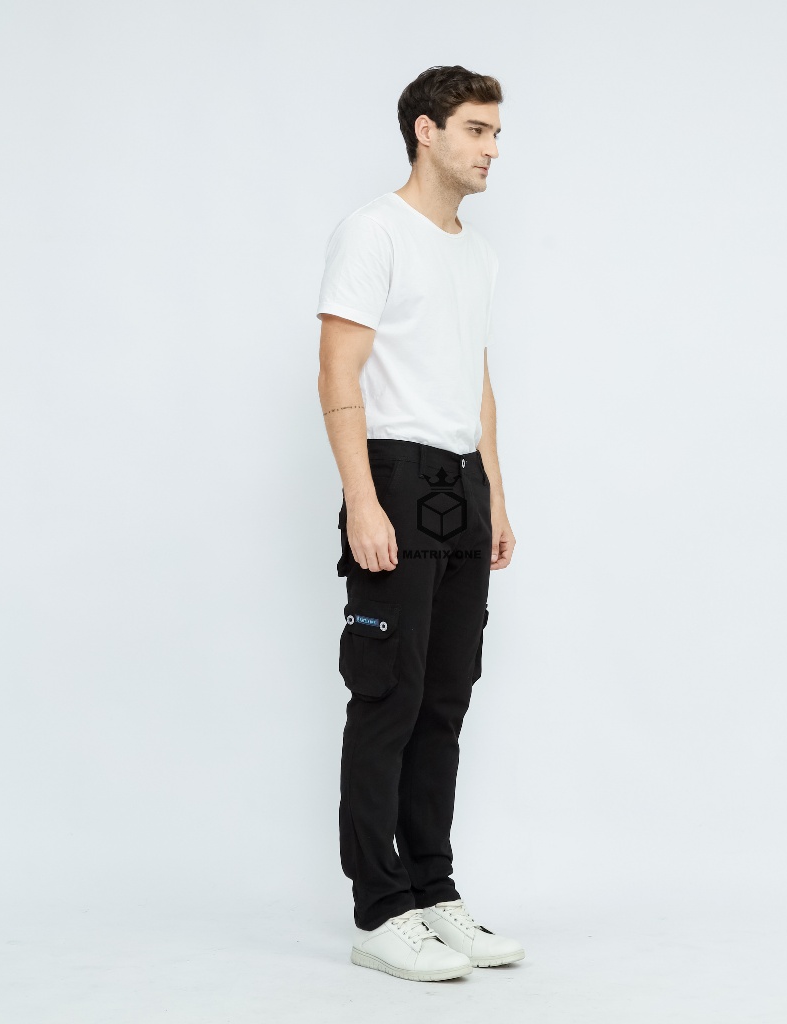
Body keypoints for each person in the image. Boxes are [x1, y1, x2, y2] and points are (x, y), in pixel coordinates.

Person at [315, 65, 523, 983]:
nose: (492, 149)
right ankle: (380, 908)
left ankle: (433, 889)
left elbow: (475, 380)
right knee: (388, 697)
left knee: (446, 697)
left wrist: (496, 495)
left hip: (460, 482)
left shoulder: (478, 255)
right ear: (425, 131)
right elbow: (337, 370)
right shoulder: (373, 231)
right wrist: (362, 499)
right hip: (394, 476)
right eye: (477, 129)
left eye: (497, 133)